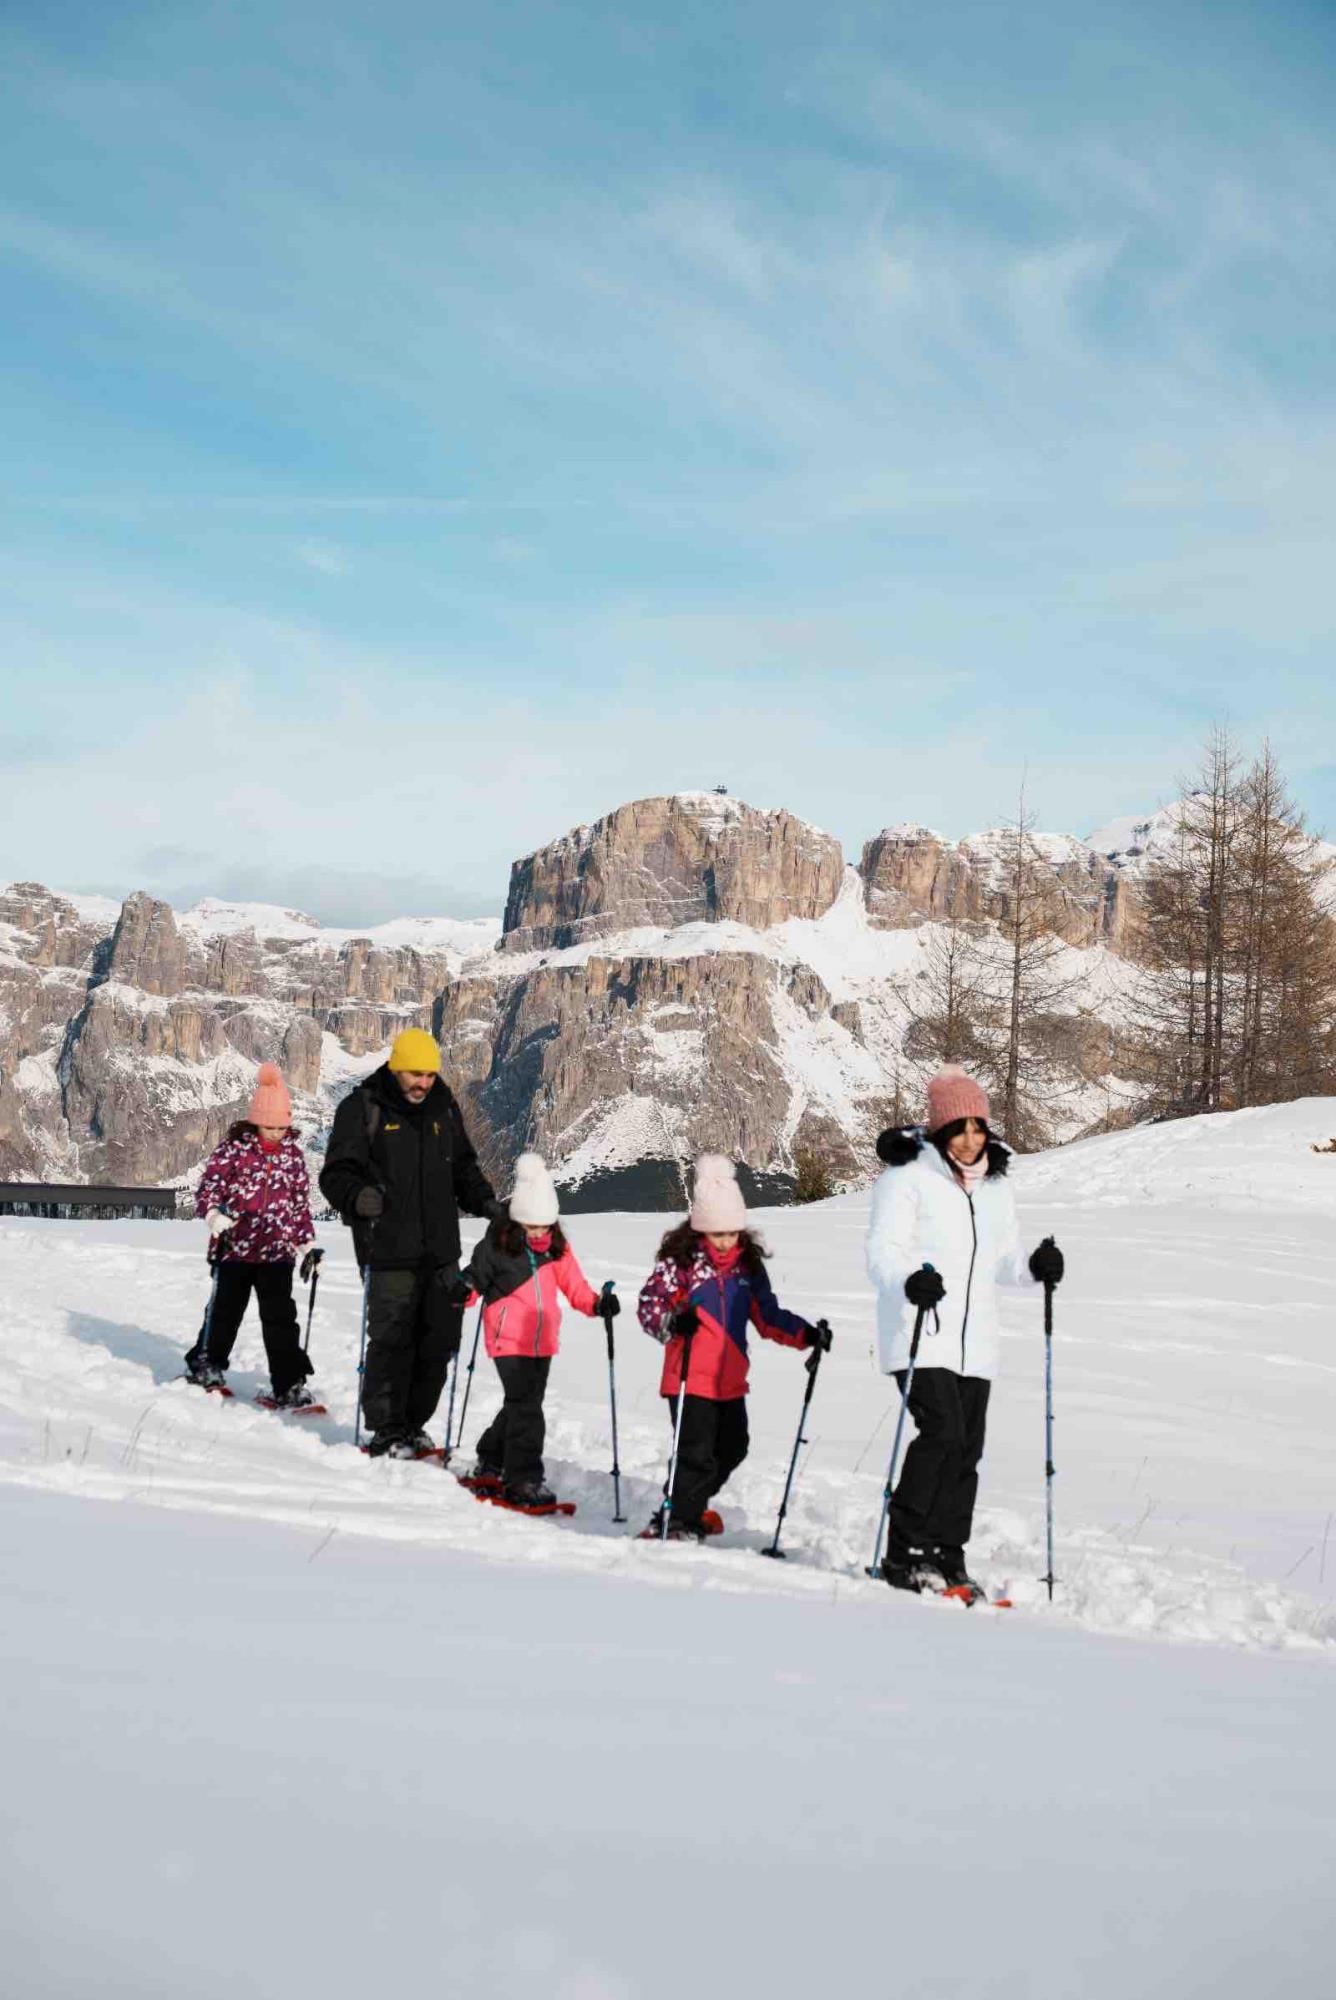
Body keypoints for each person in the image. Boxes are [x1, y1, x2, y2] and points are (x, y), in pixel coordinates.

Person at [866, 1066, 1065, 1599]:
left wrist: (1035, 1267)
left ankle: (947, 1553)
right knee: (942, 1435)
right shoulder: (906, 1180)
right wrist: (910, 1281)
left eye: (978, 1125)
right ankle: (904, 1552)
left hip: (976, 1342)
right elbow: (882, 1254)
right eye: (959, 1128)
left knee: (967, 1450)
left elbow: (1002, 1260)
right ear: (940, 1132)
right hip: (920, 1330)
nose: (971, 1138)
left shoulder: (997, 1186)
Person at [319, 1027, 500, 1458]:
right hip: (387, 1253)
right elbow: (335, 1173)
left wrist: (486, 1201)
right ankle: (386, 1428)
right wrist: (357, 1197)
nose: (424, 1083)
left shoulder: (444, 1108)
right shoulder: (363, 1107)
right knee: (391, 1340)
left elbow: (464, 1169)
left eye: (430, 1075)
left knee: (439, 1344)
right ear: (397, 1068)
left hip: (441, 1253)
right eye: (416, 1074)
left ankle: (414, 1425)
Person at [637, 1154, 830, 1540]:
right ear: (701, 1230)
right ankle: (678, 1519)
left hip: (730, 1380)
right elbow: (649, 1304)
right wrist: (673, 1321)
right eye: (717, 1233)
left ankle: (682, 1506)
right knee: (695, 1455)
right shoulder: (683, 1264)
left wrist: (807, 1334)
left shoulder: (747, 1269)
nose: (726, 1241)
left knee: (734, 1446)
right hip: (689, 1377)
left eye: (732, 1233)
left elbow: (769, 1318)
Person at [463, 1153, 615, 1508]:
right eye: (532, 1228)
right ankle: (523, 1479)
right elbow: (474, 1279)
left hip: (542, 1340)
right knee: (527, 1408)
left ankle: (491, 1455)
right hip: (506, 1339)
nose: (539, 1235)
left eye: (545, 1227)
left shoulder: (558, 1248)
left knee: (521, 1405)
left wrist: (597, 1304)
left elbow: (575, 1287)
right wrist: (461, 1290)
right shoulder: (497, 1245)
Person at [184, 1064, 321, 1407]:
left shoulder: (293, 1158)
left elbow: (299, 1207)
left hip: (277, 1253)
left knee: (281, 1320)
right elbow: (209, 1188)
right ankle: (207, 1366)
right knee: (224, 1312)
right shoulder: (234, 1151)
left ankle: (289, 1383)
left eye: (281, 1126)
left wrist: (307, 1245)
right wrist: (213, 1215)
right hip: (234, 1248)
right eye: (269, 1126)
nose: (275, 1133)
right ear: (255, 1120)